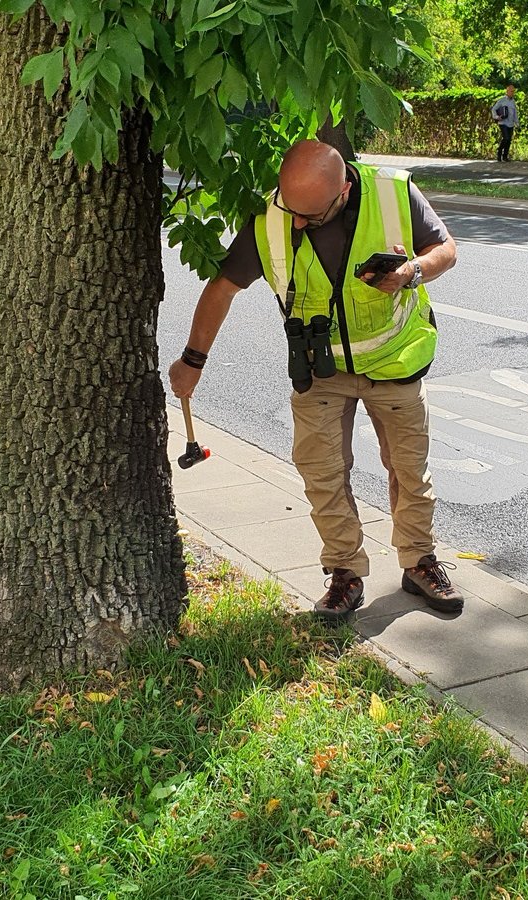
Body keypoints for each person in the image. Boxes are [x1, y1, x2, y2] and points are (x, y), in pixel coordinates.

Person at [167, 140, 464, 619]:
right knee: (323, 476)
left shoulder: (392, 192)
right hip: (320, 370)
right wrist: (193, 359)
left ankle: (419, 561)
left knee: (409, 472)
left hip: (396, 361)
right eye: (291, 208)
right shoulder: (273, 218)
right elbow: (222, 288)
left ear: (344, 190)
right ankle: (345, 572)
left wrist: (412, 272)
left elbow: (446, 249)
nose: (297, 222)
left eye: (312, 215)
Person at [491, 86, 517, 163]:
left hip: (510, 123)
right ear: (507, 91)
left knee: (509, 140)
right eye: (511, 91)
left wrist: (517, 122)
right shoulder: (502, 100)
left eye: (513, 91)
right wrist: (496, 117)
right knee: (505, 138)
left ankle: (505, 156)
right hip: (503, 122)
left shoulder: (513, 101)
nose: (513, 93)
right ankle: (499, 153)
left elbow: (515, 113)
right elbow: (494, 109)